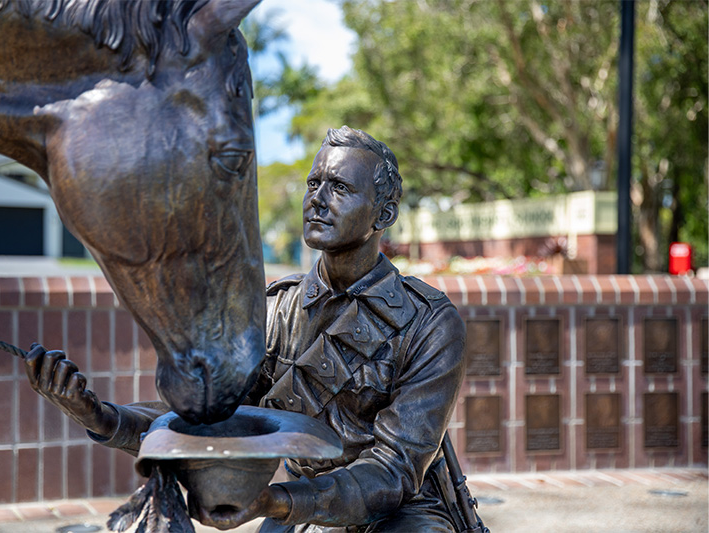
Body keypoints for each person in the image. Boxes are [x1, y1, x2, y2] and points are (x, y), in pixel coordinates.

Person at [24, 126, 466, 532]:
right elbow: (206, 416)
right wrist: (101, 416)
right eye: (315, 183)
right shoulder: (274, 310)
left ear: (382, 214)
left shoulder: (428, 322)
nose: (318, 198)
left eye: (341, 188)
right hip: (298, 500)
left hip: (402, 512)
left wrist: (276, 502)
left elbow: (395, 469)